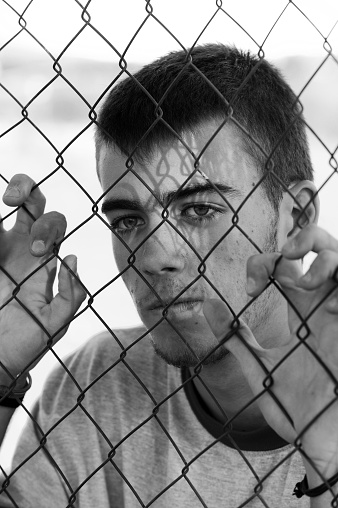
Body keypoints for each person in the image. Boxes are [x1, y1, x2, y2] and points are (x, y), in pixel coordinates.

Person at [0, 43, 337, 508]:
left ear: (296, 218)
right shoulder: (98, 382)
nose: (156, 257)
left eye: (200, 209)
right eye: (128, 221)